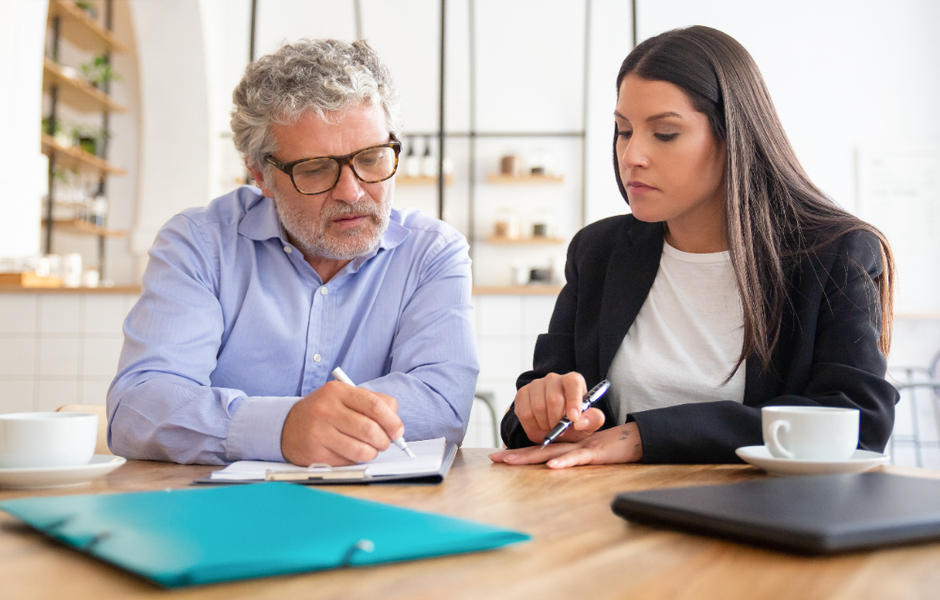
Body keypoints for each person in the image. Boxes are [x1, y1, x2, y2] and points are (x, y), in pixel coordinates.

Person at [490, 25, 897, 469]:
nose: (631, 156)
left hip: (764, 518)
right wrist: (540, 409)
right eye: (624, 131)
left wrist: (646, 436)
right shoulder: (599, 251)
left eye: (664, 134)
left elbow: (859, 424)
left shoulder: (834, 254)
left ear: (733, 137)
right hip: (608, 514)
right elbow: (527, 419)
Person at [108, 39, 479, 466]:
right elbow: (137, 406)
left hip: (379, 511)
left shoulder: (432, 253)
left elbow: (443, 405)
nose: (352, 192)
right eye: (316, 169)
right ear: (261, 176)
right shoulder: (199, 244)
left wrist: (304, 425)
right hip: (223, 514)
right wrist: (282, 428)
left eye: (373, 159)